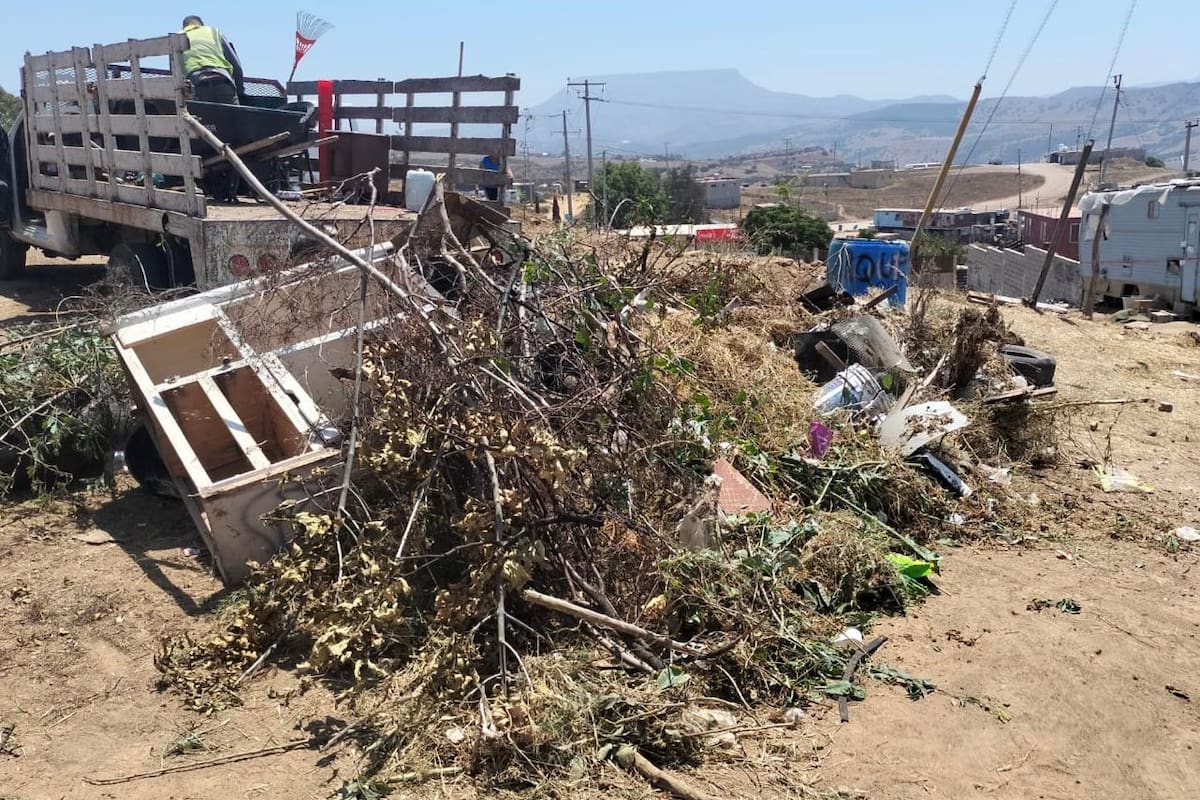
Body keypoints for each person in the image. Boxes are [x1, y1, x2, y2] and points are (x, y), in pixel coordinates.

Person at [180, 15, 244, 105]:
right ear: (201, 25)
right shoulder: (213, 31)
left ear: (184, 27)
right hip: (223, 81)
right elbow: (236, 65)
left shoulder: (178, 37)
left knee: (203, 118)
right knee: (234, 117)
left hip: (198, 86)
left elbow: (175, 76)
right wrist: (240, 92)